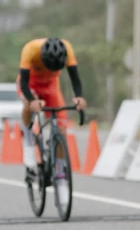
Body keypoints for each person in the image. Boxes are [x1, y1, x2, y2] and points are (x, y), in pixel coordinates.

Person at [16, 38, 87, 189]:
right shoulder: (30, 49)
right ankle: (28, 141)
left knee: (61, 128)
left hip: (51, 87)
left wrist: (79, 97)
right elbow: (23, 83)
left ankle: (60, 175)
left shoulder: (67, 48)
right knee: (29, 104)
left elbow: (75, 78)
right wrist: (32, 100)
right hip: (30, 84)